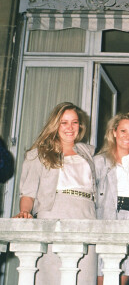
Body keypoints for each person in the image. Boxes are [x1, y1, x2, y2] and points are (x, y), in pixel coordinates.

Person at [14, 102, 97, 285]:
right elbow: (28, 193)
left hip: (87, 216)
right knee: (52, 276)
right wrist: (25, 212)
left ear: (80, 126)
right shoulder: (38, 154)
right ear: (55, 125)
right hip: (54, 215)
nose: (70, 127)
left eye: (74, 122)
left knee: (83, 276)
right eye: (64, 122)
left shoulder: (90, 152)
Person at [94, 112, 129, 285]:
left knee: (122, 278)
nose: (128, 136)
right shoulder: (99, 161)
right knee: (102, 276)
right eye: (123, 131)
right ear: (114, 132)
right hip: (108, 219)